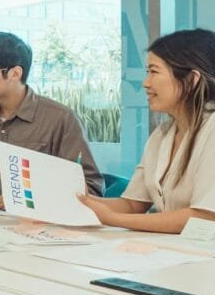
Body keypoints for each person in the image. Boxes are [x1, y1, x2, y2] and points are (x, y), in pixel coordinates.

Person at [0, 32, 104, 208]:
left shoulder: (60, 119)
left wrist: (24, 200)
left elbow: (89, 187)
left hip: (36, 227)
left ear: (15, 73)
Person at [78, 28, 215, 233]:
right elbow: (133, 204)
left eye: (154, 71)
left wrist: (113, 219)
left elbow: (204, 217)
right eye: (147, 72)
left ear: (191, 79)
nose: (146, 83)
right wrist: (80, 201)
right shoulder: (162, 134)